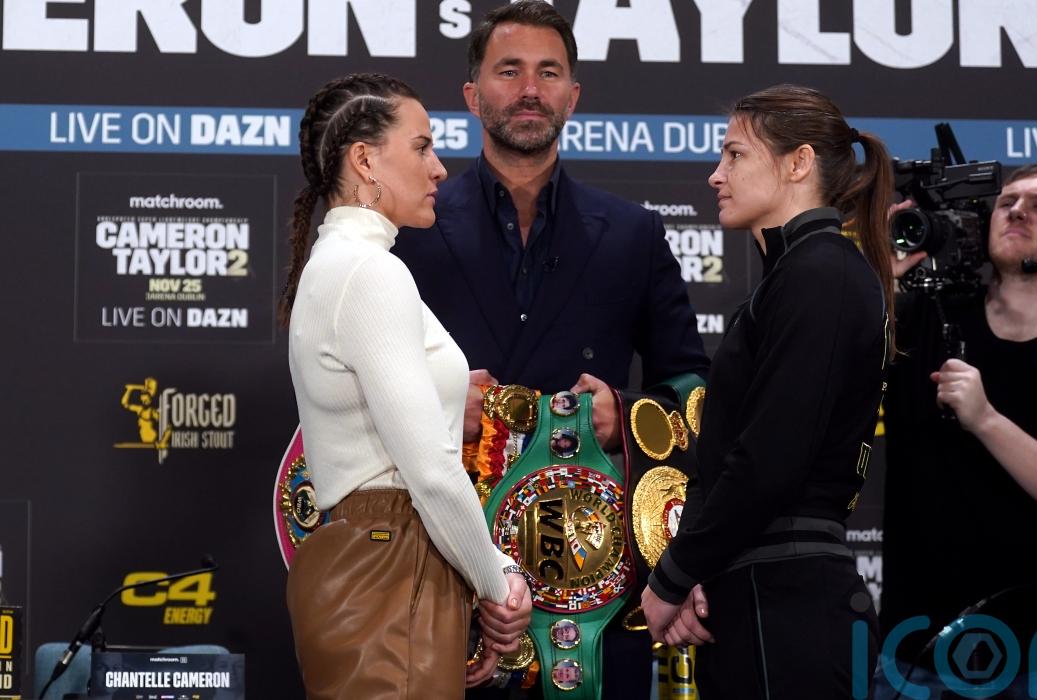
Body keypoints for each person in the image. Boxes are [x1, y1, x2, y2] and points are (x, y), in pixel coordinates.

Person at [392, 3, 709, 696]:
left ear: (574, 95)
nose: (530, 89)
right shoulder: (409, 227)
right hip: (441, 565)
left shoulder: (633, 233)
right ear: (473, 94)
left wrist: (626, 414)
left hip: (591, 581)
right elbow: (351, 385)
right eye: (509, 71)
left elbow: (692, 389)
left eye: (549, 72)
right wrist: (438, 403)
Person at [279, 73, 532, 699]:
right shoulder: (371, 273)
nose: (439, 167)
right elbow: (430, 470)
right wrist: (497, 583)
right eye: (421, 147)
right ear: (364, 160)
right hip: (393, 559)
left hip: (377, 559)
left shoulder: (336, 266)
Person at [642, 84, 896, 699]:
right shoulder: (798, 276)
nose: (715, 175)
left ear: (798, 163)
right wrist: (693, 571)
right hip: (760, 597)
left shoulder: (821, 273)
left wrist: (672, 578)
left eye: (735, 155)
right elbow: (726, 460)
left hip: (790, 609)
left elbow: (768, 459)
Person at [877, 165, 1037, 699]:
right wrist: (879, 280)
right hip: (914, 655)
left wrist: (986, 420)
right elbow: (815, 371)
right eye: (1006, 203)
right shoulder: (916, 320)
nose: (1017, 211)